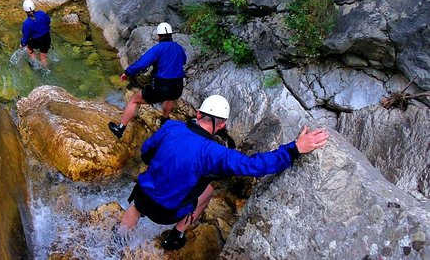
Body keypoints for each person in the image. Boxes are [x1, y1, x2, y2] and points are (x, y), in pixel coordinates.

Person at [119, 94, 330, 251]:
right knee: (208, 191)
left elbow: (147, 152)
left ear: (199, 114)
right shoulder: (216, 153)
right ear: (222, 125)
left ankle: (119, 239)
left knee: (137, 204)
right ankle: (176, 235)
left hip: (144, 198)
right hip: (168, 213)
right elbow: (252, 166)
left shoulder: (170, 128)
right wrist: (294, 149)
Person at [109, 22, 186, 139]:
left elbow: (142, 63)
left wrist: (127, 73)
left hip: (161, 86)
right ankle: (165, 120)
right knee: (169, 97)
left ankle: (120, 128)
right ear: (171, 35)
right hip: (177, 86)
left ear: (159, 36)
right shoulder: (179, 48)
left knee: (134, 100)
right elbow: (184, 61)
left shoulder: (158, 49)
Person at [20, 0, 51, 67]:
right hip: (47, 37)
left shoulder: (26, 23)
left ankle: (35, 64)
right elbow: (48, 21)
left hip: (37, 40)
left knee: (29, 49)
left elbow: (26, 37)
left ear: (25, 10)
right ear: (34, 7)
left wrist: (22, 44)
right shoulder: (42, 13)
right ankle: (47, 69)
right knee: (43, 58)